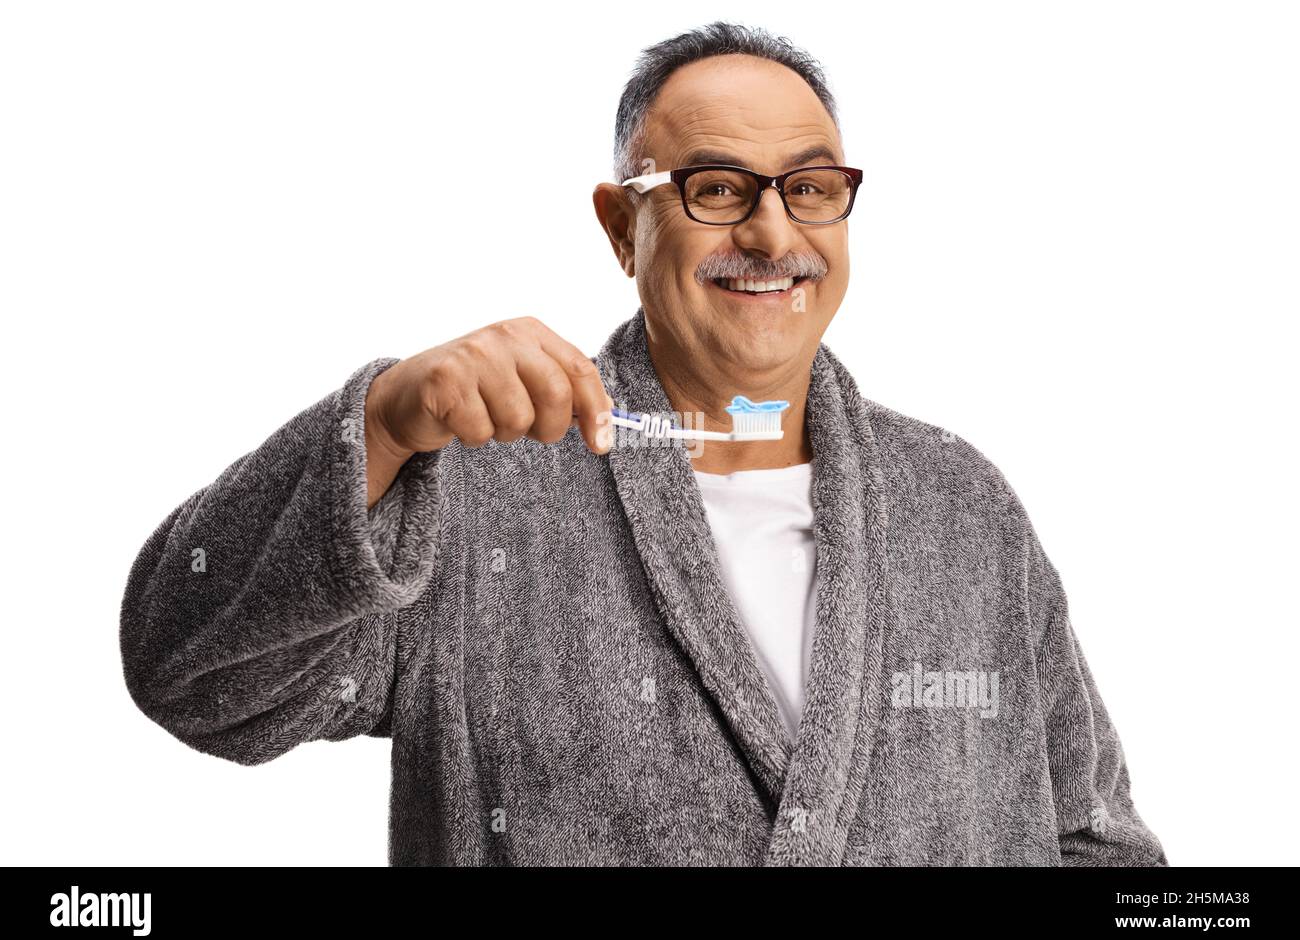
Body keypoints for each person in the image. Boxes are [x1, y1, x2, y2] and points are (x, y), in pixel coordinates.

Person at [119, 21, 1167, 866]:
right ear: (623, 226)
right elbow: (194, 674)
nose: (771, 234)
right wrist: (385, 424)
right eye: (715, 189)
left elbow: (1093, 845)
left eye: (809, 187)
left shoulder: (959, 504)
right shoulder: (475, 490)